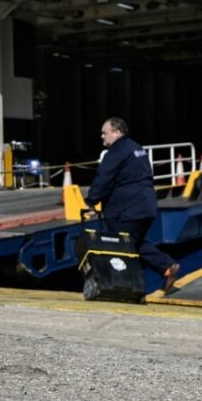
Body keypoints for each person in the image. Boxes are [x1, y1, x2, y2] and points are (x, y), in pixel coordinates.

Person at [84, 117, 179, 292]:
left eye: (105, 133)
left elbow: (104, 178)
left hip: (126, 210)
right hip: (147, 206)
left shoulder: (116, 152)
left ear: (117, 132)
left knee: (120, 245)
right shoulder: (137, 148)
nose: (102, 136)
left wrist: (90, 201)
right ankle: (166, 268)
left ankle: (125, 286)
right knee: (134, 242)